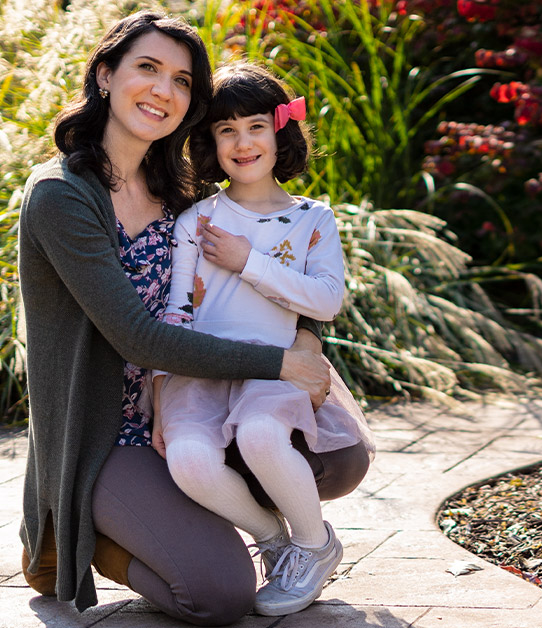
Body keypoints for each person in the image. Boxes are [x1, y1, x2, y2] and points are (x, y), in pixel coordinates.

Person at [15, 12, 369, 626]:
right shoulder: (62, 195)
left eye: (182, 80)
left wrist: (304, 339)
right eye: (147, 69)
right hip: (111, 426)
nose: (163, 90)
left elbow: (267, 281)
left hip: (197, 391)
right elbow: (139, 338)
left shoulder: (177, 189)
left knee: (333, 459)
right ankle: (73, 531)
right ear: (105, 74)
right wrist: (283, 363)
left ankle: (248, 530)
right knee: (218, 596)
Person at [150, 61, 374, 617]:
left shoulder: (311, 220)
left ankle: (315, 544)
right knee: (190, 462)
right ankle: (275, 540)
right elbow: (175, 311)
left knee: (261, 436)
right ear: (210, 143)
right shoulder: (196, 221)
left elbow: (325, 301)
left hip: (274, 368)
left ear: (280, 131)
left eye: (255, 126)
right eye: (227, 131)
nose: (243, 142)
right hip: (195, 372)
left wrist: (247, 260)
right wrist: (158, 398)